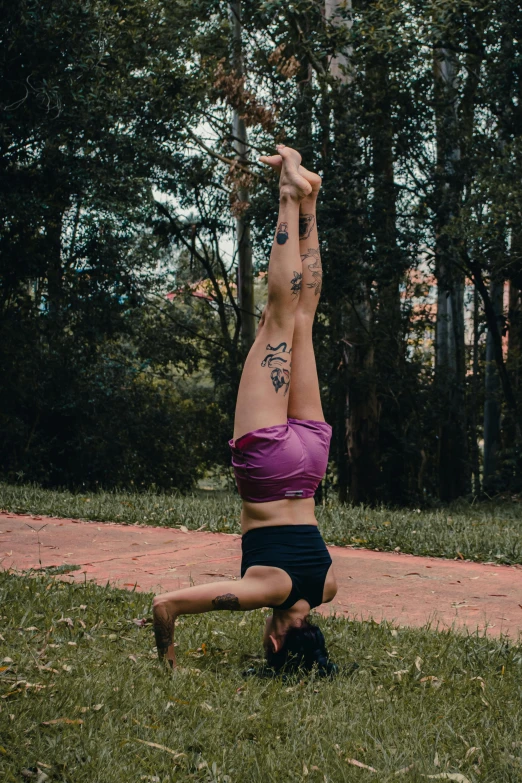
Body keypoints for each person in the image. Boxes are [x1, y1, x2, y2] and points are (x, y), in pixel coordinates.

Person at [152, 145, 338, 676]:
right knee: (278, 319)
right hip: (271, 468)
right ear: (278, 643)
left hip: (309, 463)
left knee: (303, 321)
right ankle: (288, 193)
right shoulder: (266, 590)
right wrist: (169, 662)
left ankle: (310, 202)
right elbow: (166, 604)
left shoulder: (326, 585)